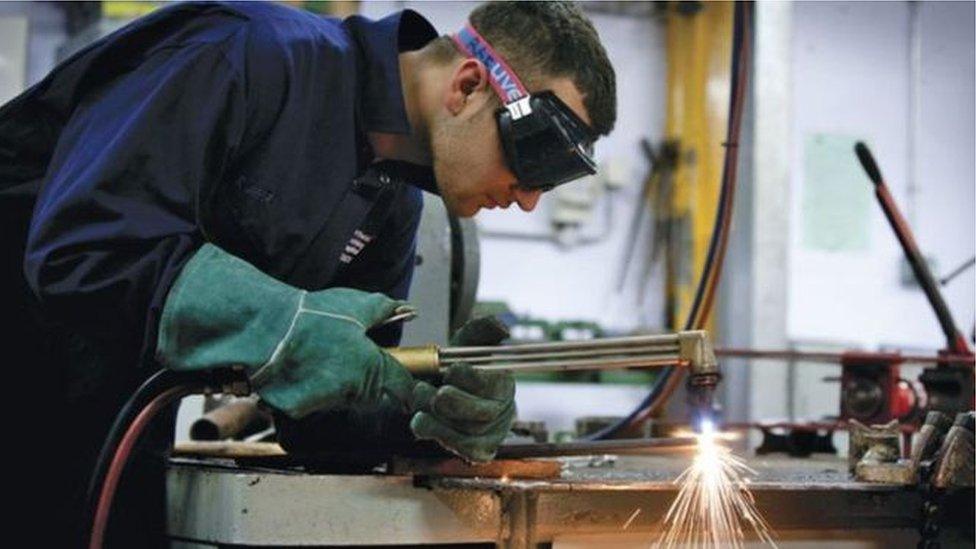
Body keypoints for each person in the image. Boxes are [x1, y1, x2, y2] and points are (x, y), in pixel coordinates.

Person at [0, 1, 616, 546]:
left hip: (113, 438)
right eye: (532, 156)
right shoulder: (248, 55)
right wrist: (279, 322)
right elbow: (79, 250)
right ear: (468, 84)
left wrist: (427, 413)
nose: (531, 198)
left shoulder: (391, 204)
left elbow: (325, 419)